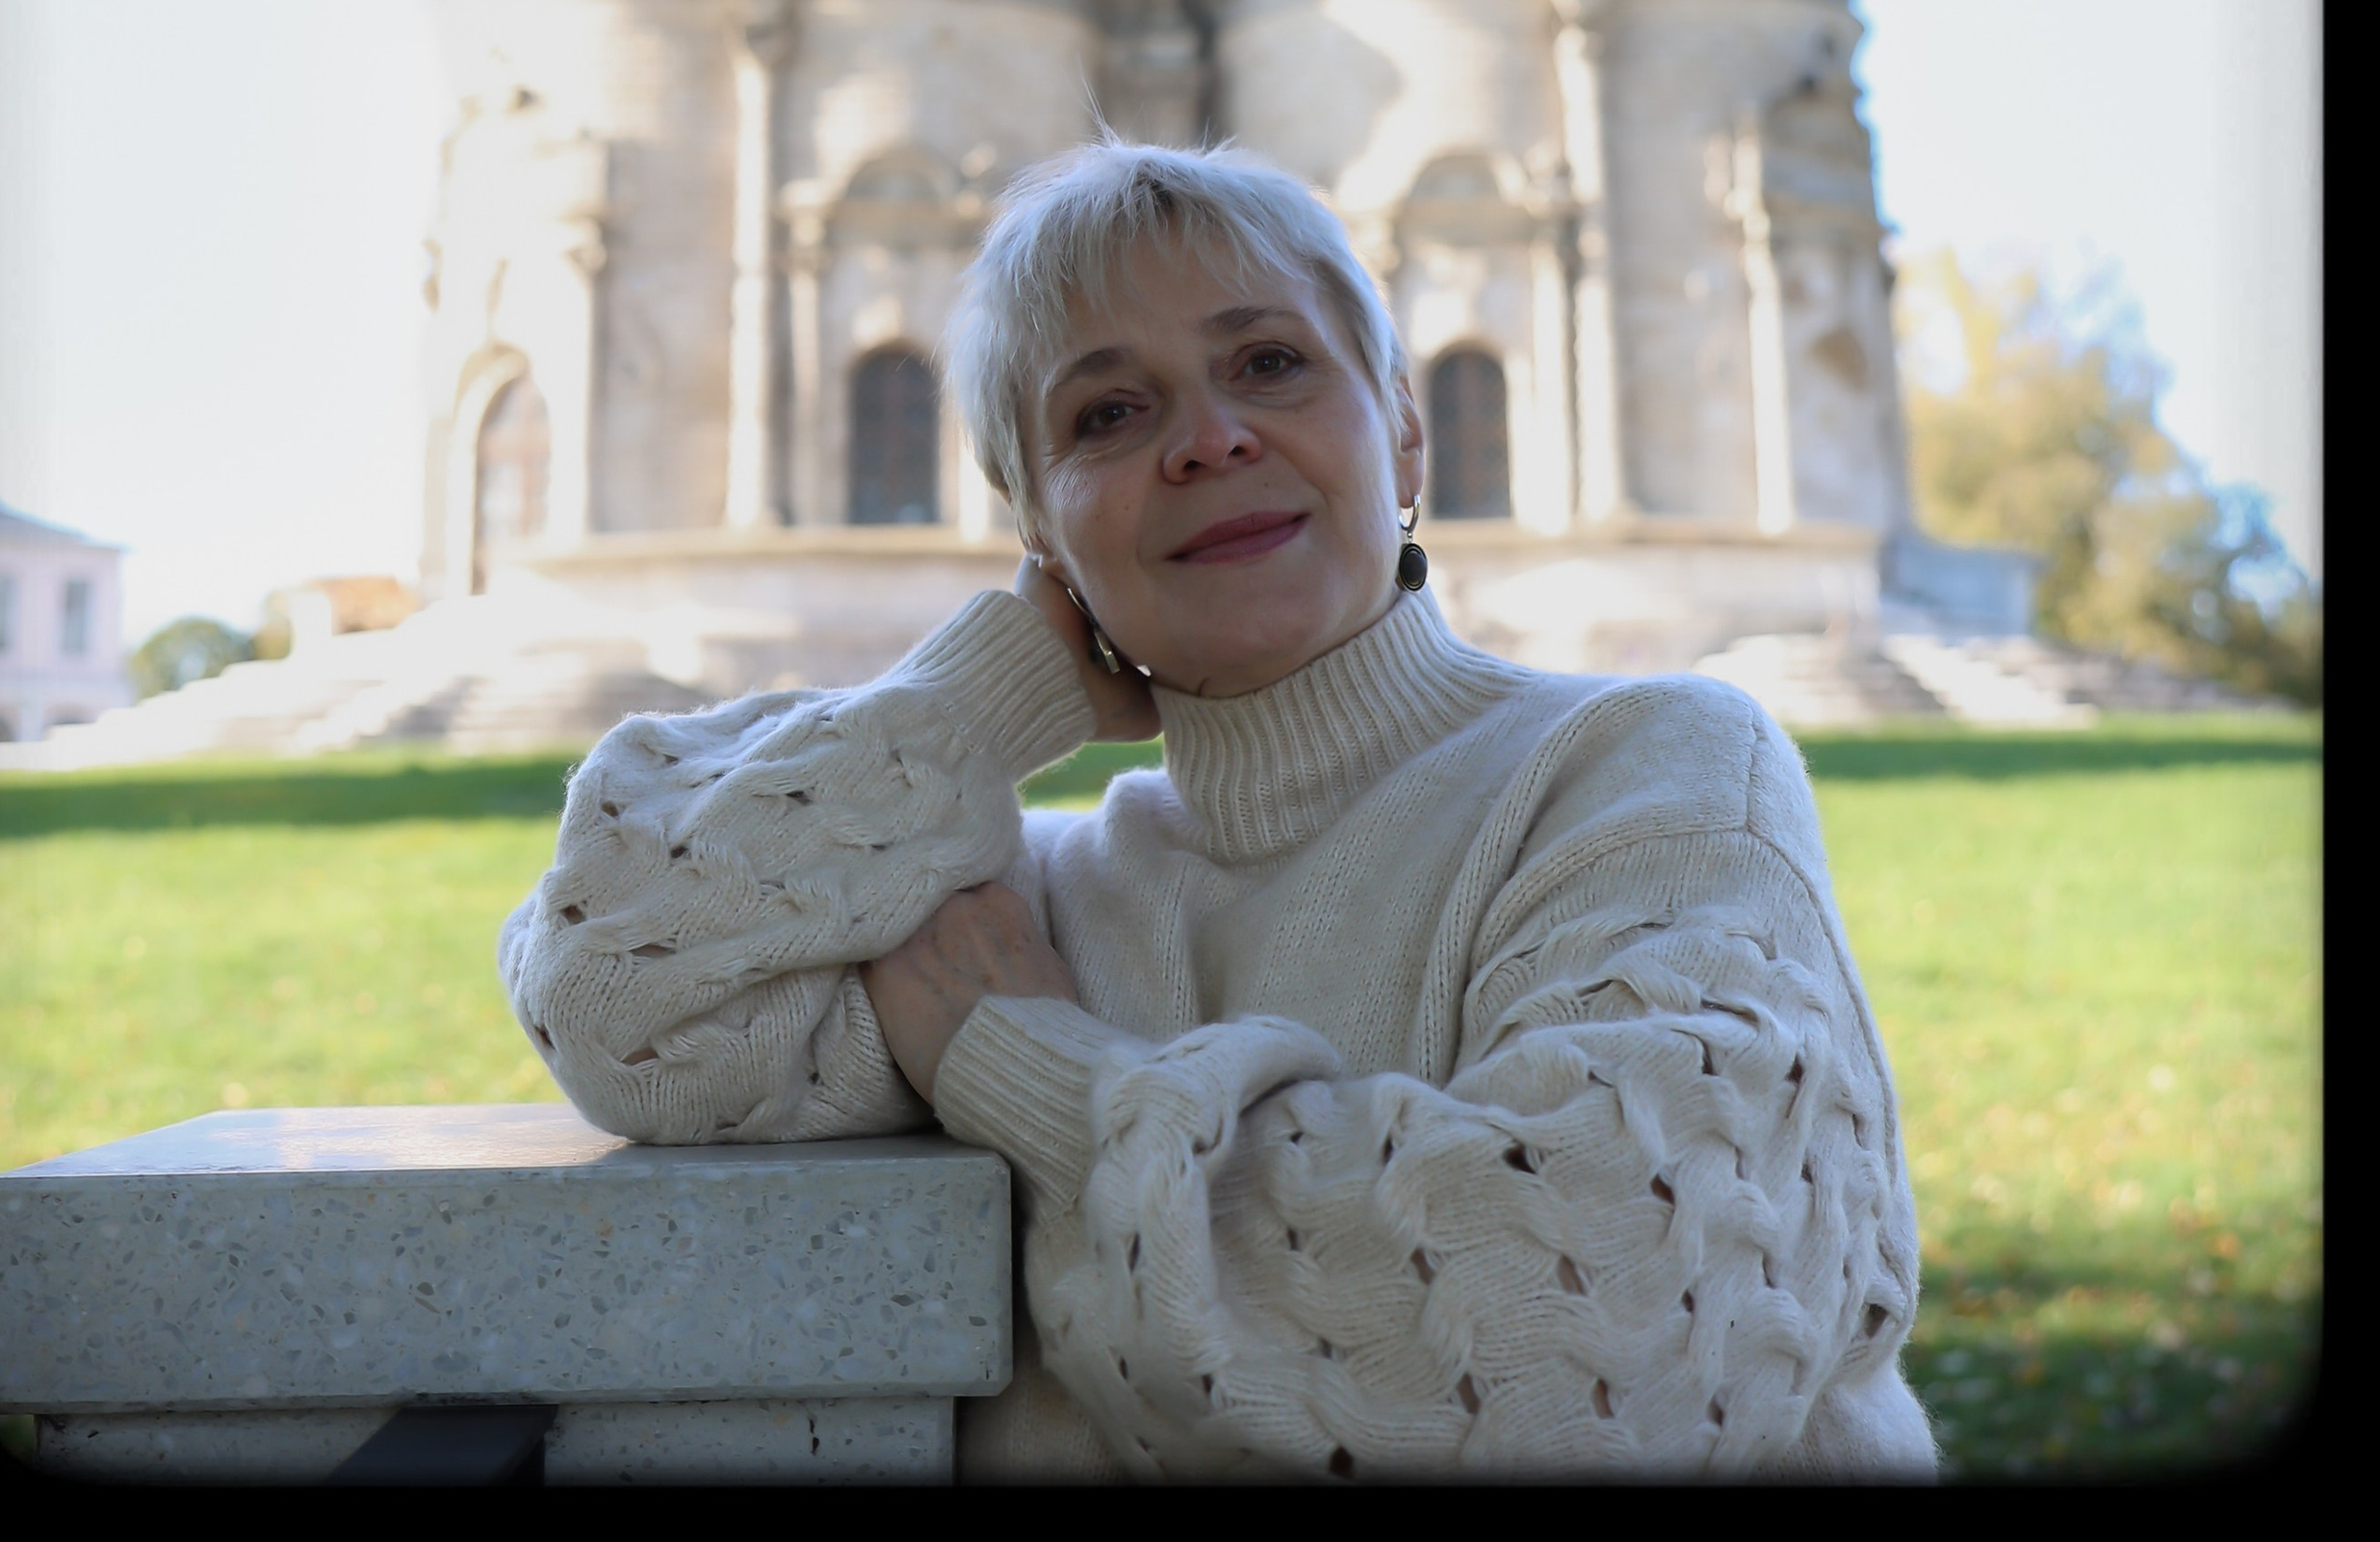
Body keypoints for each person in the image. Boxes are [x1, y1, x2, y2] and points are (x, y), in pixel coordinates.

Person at [500, 141, 1938, 1481]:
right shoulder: (1018, 894)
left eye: (1270, 360)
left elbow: (1580, 1345)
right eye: (1109, 412)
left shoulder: (1652, 772)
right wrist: (981, 700)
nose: (1209, 436)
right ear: (1040, 531)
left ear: (1408, 440)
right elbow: (622, 996)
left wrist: (1023, 1065)